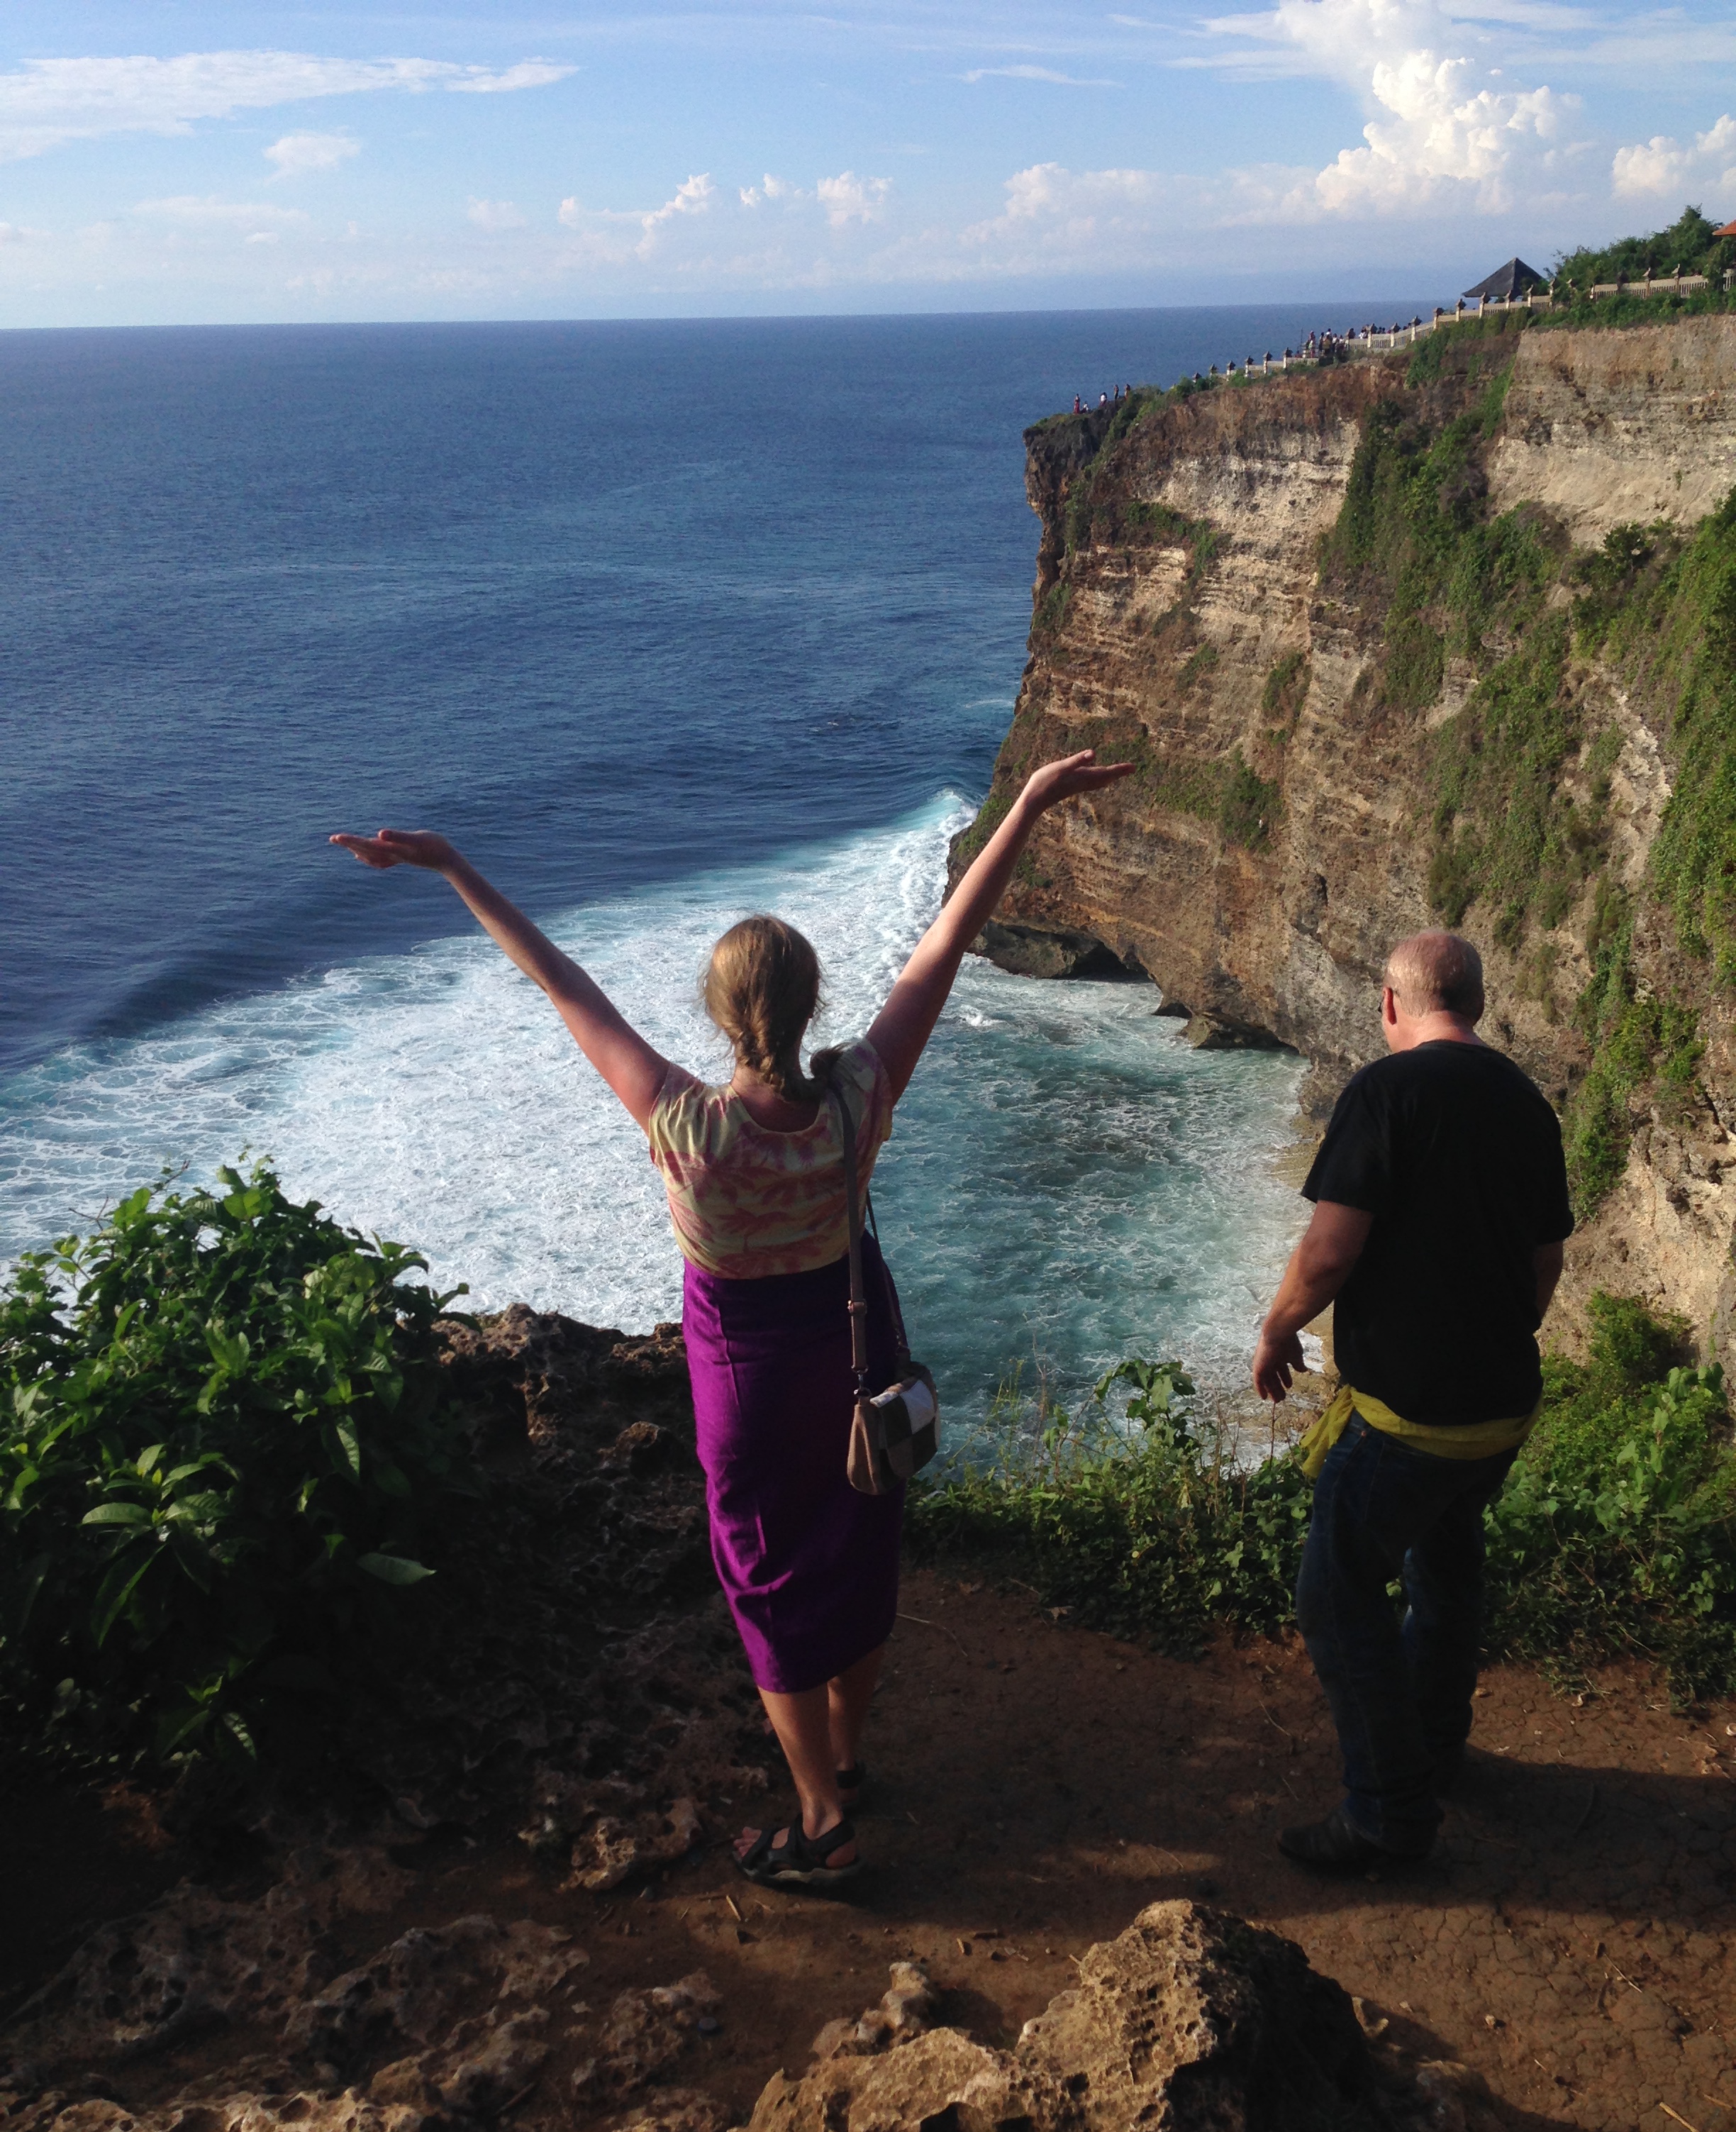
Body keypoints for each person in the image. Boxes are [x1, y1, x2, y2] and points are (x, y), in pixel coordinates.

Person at [332, 747, 1132, 1890]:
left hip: (746, 1375)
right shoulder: (857, 1098)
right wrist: (1034, 803)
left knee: (769, 1580)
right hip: (859, 1348)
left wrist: (453, 865)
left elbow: (564, 986)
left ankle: (821, 1821)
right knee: (858, 1543)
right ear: (811, 1005)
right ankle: (849, 1761)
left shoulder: (687, 1128)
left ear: (717, 1016)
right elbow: (946, 945)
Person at [1252, 931, 1572, 1870]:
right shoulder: (1528, 1105)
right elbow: (1544, 1264)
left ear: (1392, 1005)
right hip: (1500, 1408)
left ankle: (1389, 1811)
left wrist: (1278, 1330)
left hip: (1412, 1421)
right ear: (1473, 1000)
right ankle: (1435, 1747)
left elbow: (1330, 1251)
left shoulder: (1385, 1093)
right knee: (1446, 1562)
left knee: (1335, 1593)